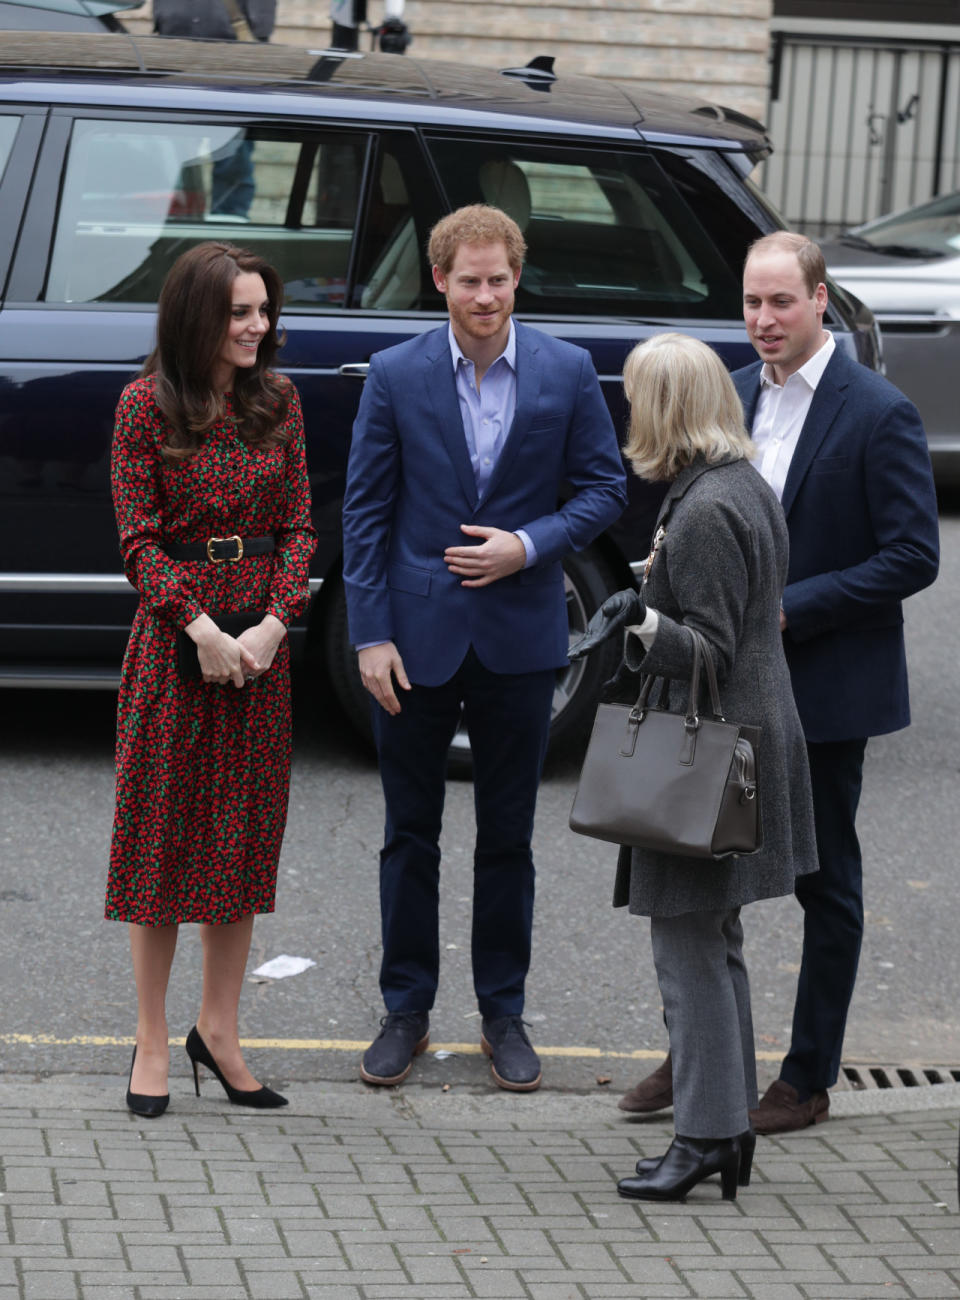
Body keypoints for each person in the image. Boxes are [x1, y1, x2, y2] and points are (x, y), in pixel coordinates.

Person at [620, 231, 940, 1135]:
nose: (763, 320)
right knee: (703, 876)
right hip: (726, 684)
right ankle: (702, 1058)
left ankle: (805, 1076)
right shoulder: (729, 393)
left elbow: (915, 555)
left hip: (826, 683)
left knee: (822, 880)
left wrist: (791, 606)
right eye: (752, 303)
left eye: (781, 303)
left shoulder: (877, 411)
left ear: (820, 300)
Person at [341, 203, 627, 1092]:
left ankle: (503, 1015)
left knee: (508, 839)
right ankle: (406, 1012)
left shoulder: (566, 371)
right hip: (417, 642)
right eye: (470, 281)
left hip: (522, 640)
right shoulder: (395, 374)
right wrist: (371, 635)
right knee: (408, 836)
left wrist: (529, 544)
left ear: (516, 275)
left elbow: (604, 488)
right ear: (441, 280)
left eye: (499, 279)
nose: (486, 296)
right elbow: (365, 513)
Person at [569, 331, 818, 1201]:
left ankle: (707, 1135)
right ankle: (726, 1127)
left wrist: (639, 622)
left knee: (688, 951)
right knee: (717, 943)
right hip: (745, 741)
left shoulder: (708, 508)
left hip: (706, 759)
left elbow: (709, 646)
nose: (630, 411)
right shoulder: (737, 484)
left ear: (667, 410)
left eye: (639, 397)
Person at [106, 241, 316, 1117]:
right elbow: (138, 539)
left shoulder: (279, 400)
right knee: (161, 848)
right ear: (198, 315)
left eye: (263, 311)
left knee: (238, 849)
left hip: (259, 649)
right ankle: (153, 1041)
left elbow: (302, 527)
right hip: (174, 646)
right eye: (239, 312)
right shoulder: (143, 406)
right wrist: (199, 629)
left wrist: (270, 626)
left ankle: (219, 1032)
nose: (257, 326)